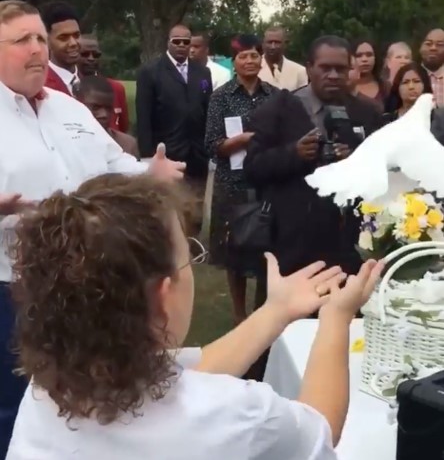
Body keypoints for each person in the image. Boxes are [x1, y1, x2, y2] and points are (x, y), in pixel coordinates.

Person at [6, 171, 383, 460]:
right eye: (189, 256)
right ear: (163, 294)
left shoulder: (47, 389)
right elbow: (319, 429)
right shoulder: (240, 413)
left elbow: (196, 374)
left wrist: (277, 310)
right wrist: (335, 318)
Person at [0, 0, 183, 458]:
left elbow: (113, 164)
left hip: (88, 282)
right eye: (23, 40)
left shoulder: (68, 108)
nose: (38, 49)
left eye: (41, 38)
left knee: (85, 392)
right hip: (11, 290)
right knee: (13, 402)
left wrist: (149, 172)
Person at [244, 35, 381, 279]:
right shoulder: (280, 109)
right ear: (309, 68)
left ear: (350, 70)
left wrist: (354, 161)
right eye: (325, 68)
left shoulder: (366, 113)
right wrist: (293, 154)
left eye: (340, 69)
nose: (333, 75)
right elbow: (253, 169)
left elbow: (380, 172)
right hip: (292, 244)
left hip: (348, 245)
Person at [205, 35, 276, 325]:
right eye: (243, 56)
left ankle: (263, 308)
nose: (249, 61)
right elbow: (211, 144)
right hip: (232, 183)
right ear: (234, 62)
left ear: (262, 59)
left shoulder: (274, 95)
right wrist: (244, 140)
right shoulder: (221, 97)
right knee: (233, 251)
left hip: (267, 183)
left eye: (254, 56)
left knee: (265, 248)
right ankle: (238, 312)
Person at [136, 24, 213, 230]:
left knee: (195, 207)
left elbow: (207, 110)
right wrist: (146, 156)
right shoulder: (150, 72)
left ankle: (194, 248)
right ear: (168, 43)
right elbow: (144, 117)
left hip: (198, 154)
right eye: (176, 41)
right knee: (168, 207)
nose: (181, 46)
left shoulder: (203, 73)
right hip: (168, 152)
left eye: (185, 42)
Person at [76, 75, 139, 158]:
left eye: (109, 108)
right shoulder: (65, 144)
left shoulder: (127, 145)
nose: (104, 114)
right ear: (77, 105)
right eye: (96, 107)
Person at [78, 34, 130, 133]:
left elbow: (123, 128)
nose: (91, 58)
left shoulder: (116, 88)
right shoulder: (72, 88)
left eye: (96, 55)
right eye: (85, 54)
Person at [39, 1, 81, 95]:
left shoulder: (92, 81)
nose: (73, 43)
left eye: (76, 35)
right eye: (63, 38)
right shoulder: (39, 86)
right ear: (46, 40)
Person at [258, 26, 308, 91]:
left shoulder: (299, 71)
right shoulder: (253, 68)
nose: (273, 47)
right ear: (263, 44)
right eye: (269, 42)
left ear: (285, 44)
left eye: (277, 42)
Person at [351, 38, 387, 111]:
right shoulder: (345, 89)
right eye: (359, 55)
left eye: (369, 55)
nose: (364, 59)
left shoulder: (386, 87)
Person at [420, 28, 444, 107]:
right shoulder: (411, 76)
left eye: (440, 45)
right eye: (428, 44)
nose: (433, 48)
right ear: (420, 48)